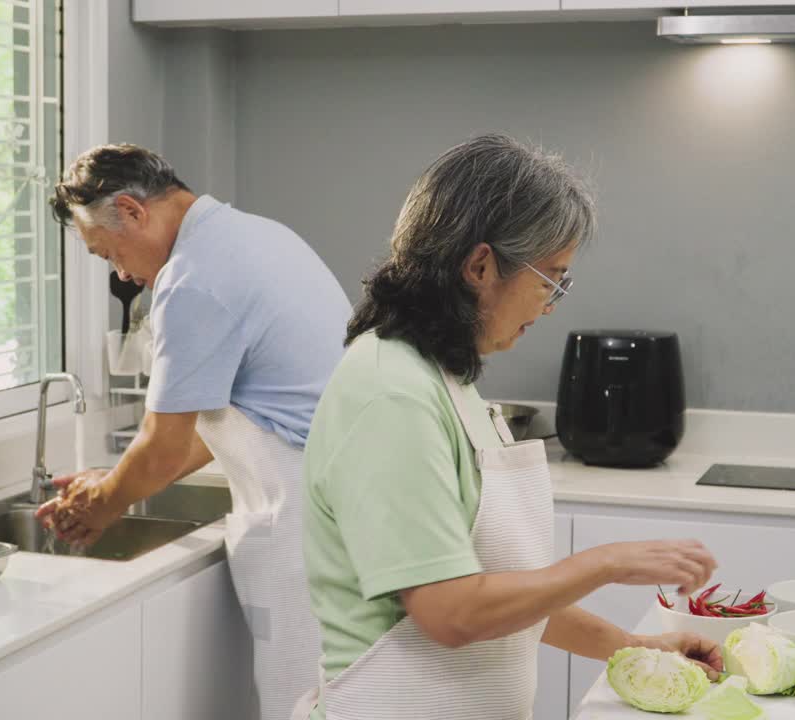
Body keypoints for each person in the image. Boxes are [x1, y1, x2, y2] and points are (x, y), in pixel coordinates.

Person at [296, 134, 722, 720]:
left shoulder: (444, 382)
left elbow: (501, 594)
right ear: (480, 266)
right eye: (551, 278)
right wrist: (605, 564)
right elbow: (453, 612)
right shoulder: (390, 394)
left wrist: (637, 648)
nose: (551, 305)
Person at [39, 144, 351, 720]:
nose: (123, 274)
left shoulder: (191, 281)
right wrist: (115, 482)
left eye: (109, 252)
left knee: (306, 705)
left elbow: (162, 448)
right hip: (341, 510)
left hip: (308, 526)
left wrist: (102, 505)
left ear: (132, 211)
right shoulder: (255, 235)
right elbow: (217, 424)